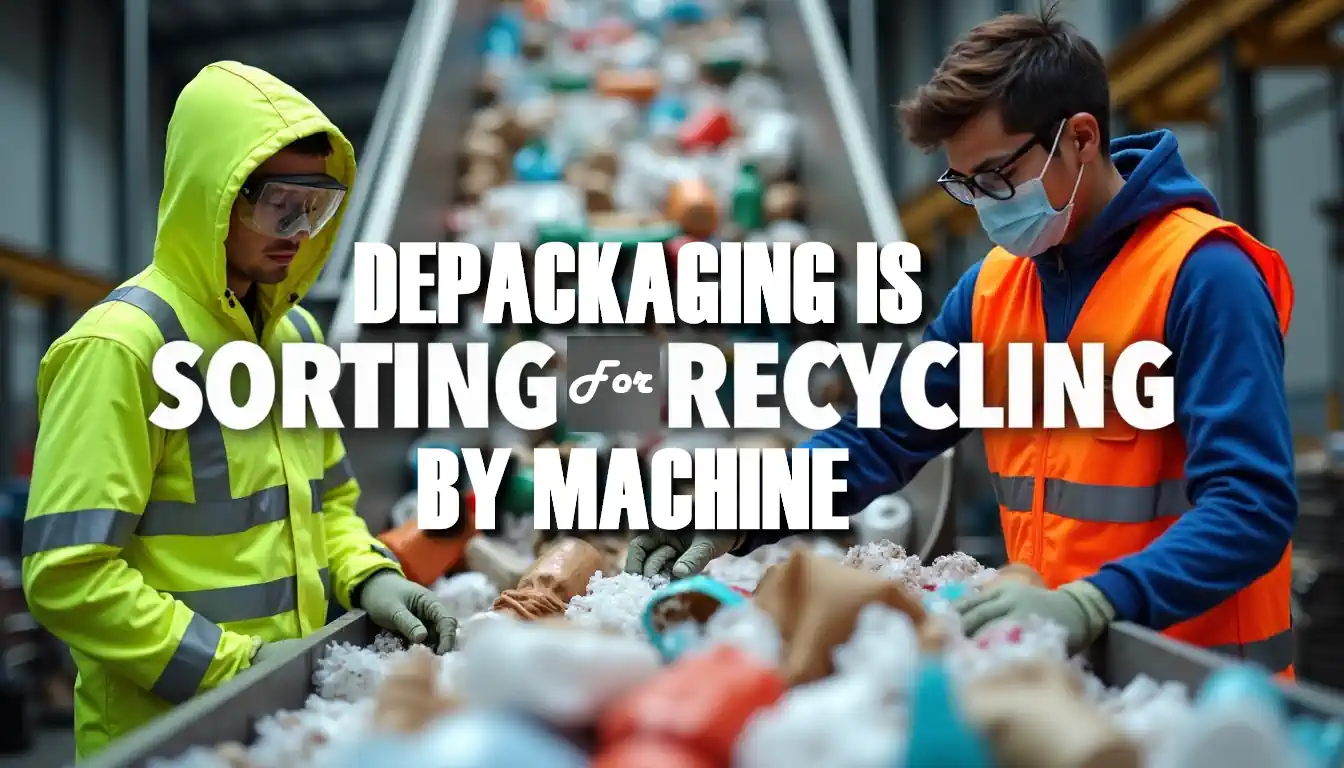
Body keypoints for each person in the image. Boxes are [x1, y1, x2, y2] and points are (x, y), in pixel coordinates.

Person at [626, 5, 1298, 676]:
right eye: (965, 184)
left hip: (1207, 695)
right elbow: (880, 437)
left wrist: (1099, 601)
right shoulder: (992, 292)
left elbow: (1251, 504)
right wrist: (738, 509)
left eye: (999, 176)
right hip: (1057, 671)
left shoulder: (1204, 276)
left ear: (1082, 138)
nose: (985, 204)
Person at [21, 61, 458, 759]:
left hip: (283, 721)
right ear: (213, 197)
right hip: (166, 739)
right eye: (279, 204)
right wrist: (230, 669)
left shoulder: (299, 339)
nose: (298, 229)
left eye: (317, 207)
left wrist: (371, 575)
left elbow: (332, 504)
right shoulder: (124, 347)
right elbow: (69, 575)